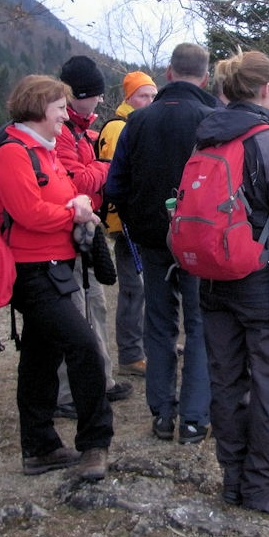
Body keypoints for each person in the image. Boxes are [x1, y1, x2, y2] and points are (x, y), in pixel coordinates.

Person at [195, 51, 269, 513]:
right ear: (266, 89)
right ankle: (264, 488)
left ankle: (233, 479)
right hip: (265, 278)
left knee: (226, 379)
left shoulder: (207, 136)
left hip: (212, 276)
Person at [0, 74, 112, 479]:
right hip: (33, 272)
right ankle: (94, 445)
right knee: (84, 348)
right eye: (60, 108)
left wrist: (78, 203)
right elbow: (28, 213)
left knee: (40, 358)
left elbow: (61, 195)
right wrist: (74, 213)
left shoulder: (43, 152)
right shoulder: (14, 154)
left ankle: (40, 448)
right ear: (40, 107)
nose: (65, 114)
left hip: (54, 268)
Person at [104, 46, 216, 445]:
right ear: (205, 77)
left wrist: (136, 219)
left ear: (168, 73)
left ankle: (163, 414)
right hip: (200, 240)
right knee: (199, 324)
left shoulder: (137, 121)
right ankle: (195, 419)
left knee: (158, 322)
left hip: (151, 238)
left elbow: (114, 185)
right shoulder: (212, 119)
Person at [51, 55, 132, 409]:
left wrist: (96, 165)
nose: (101, 99)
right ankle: (69, 393)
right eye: (95, 94)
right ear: (78, 95)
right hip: (66, 231)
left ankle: (100, 380)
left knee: (94, 305)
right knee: (74, 312)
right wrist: (108, 166)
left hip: (86, 229)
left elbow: (86, 173)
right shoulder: (64, 133)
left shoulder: (83, 131)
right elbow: (78, 181)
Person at [97, 70, 157, 378]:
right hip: (125, 221)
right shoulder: (119, 127)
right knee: (134, 288)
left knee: (145, 286)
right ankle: (131, 354)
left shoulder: (137, 124)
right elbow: (115, 177)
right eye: (143, 96)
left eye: (152, 96)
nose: (149, 101)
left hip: (137, 218)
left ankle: (144, 346)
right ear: (129, 97)